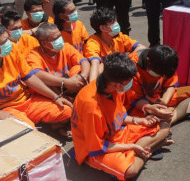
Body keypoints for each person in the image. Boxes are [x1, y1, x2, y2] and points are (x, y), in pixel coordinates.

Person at [0, 23, 73, 134]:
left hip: (27, 101)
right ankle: (33, 124)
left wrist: (55, 97)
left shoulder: (12, 49)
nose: (9, 43)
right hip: (5, 109)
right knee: (30, 133)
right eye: (3, 42)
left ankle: (50, 124)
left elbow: (29, 77)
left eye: (7, 38)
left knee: (68, 110)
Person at [71, 52, 171, 180]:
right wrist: (132, 146)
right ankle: (145, 150)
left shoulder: (112, 87)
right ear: (118, 85)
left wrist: (140, 121)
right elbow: (98, 146)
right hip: (93, 150)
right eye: (129, 82)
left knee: (164, 129)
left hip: (116, 134)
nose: (130, 85)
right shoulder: (91, 107)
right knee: (131, 171)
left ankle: (143, 149)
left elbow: (121, 117)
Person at [127, 45, 190, 125]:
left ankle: (169, 120)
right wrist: (150, 108)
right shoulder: (131, 67)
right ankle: (169, 115)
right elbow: (134, 100)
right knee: (138, 119)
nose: (162, 77)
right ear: (148, 61)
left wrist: (164, 101)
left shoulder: (167, 61)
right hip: (141, 104)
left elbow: (171, 85)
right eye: (159, 74)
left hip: (159, 98)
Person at [26, 23, 90, 96]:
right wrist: (67, 83)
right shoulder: (34, 55)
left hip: (75, 83)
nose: (60, 40)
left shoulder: (66, 47)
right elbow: (37, 75)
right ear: (44, 44)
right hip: (55, 91)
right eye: (56, 38)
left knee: (78, 68)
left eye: (60, 36)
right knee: (44, 82)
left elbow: (84, 61)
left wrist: (82, 77)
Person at [84, 8, 146, 82]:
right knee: (102, 66)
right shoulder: (92, 42)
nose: (116, 24)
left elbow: (141, 48)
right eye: (113, 22)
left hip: (120, 76)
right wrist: (92, 87)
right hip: (106, 79)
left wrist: (126, 62)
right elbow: (95, 64)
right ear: (102, 28)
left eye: (116, 21)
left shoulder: (119, 36)